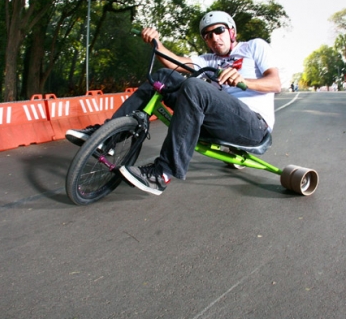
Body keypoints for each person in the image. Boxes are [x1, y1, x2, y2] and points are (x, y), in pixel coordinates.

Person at [65, 11, 281, 195]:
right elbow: (176, 63)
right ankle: (107, 138)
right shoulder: (207, 60)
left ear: (232, 32)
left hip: (253, 125)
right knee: (163, 76)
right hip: (217, 120)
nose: (214, 38)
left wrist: (244, 80)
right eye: (207, 35)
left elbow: (275, 83)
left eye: (219, 31)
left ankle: (162, 173)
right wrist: (156, 43)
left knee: (195, 86)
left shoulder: (254, 47)